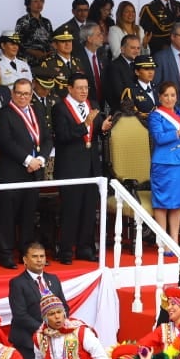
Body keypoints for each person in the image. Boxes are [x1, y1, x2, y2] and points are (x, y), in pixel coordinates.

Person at [52, 73, 110, 262]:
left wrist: (103, 128)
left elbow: (95, 132)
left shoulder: (92, 104)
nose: (84, 91)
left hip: (91, 166)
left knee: (88, 210)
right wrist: (85, 125)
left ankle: (85, 248)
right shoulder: (60, 108)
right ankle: (66, 250)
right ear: (70, 88)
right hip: (70, 166)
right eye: (79, 88)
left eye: (86, 88)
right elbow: (62, 135)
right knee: (71, 209)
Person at [0, 78, 51, 269]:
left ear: (31, 94)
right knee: (8, 216)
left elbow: (47, 139)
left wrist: (40, 159)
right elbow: (6, 142)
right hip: (12, 172)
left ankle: (26, 254)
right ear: (12, 93)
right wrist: (28, 160)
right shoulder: (4, 113)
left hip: (34, 173)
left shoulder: (37, 111)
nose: (22, 97)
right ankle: (5, 254)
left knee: (29, 216)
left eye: (26, 93)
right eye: (19, 93)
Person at [148, 80, 180, 245]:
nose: (170, 99)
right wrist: (178, 132)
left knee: (177, 203)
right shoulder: (156, 116)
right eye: (166, 95)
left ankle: (174, 240)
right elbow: (159, 138)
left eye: (173, 95)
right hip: (164, 163)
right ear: (160, 97)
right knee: (162, 203)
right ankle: (162, 240)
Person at [8, 243, 68, 359]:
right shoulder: (17, 283)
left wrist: (59, 325)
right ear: (25, 260)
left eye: (42, 256)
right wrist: (44, 328)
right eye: (35, 256)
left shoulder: (54, 279)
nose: (39, 260)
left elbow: (64, 307)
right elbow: (20, 315)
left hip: (53, 338)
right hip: (28, 342)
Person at [15, 0, 54, 65]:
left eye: (41, 1)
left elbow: (51, 40)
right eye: (35, 1)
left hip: (47, 61)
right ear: (28, 4)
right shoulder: (22, 21)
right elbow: (17, 43)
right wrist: (34, 52)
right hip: (28, 62)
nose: (39, 4)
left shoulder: (46, 22)